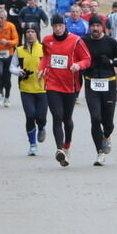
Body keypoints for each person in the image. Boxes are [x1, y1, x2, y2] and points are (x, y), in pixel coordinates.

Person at [41, 15, 91, 167]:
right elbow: (45, 57)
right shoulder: (47, 40)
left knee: (67, 119)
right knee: (57, 116)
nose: (58, 29)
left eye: (60, 26)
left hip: (70, 85)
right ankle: (59, 149)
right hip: (52, 83)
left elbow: (87, 59)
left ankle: (67, 144)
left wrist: (78, 66)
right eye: (55, 26)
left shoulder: (76, 40)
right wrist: (41, 69)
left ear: (65, 26)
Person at [81, 15, 117, 166]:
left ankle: (106, 135)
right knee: (95, 118)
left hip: (108, 84)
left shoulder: (110, 42)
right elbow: (78, 58)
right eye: (92, 26)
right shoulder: (85, 42)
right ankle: (99, 152)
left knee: (108, 122)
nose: (95, 29)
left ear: (103, 27)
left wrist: (110, 62)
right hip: (91, 83)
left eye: (98, 26)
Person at [14, 27, 47, 156]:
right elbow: (12, 66)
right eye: (28, 32)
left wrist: (44, 72)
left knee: (41, 117)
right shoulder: (19, 50)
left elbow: (49, 64)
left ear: (37, 34)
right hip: (26, 88)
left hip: (42, 88)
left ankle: (42, 127)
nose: (30, 34)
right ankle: (32, 144)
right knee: (30, 116)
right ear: (24, 35)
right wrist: (18, 71)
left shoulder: (43, 49)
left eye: (33, 32)